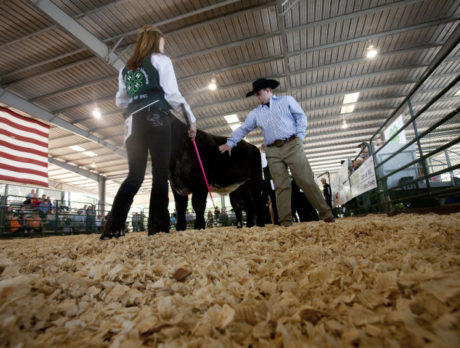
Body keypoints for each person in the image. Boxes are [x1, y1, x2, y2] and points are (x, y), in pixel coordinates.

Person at [100, 25, 196, 239]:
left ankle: (113, 228)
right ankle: (157, 227)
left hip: (132, 123)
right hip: (156, 118)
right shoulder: (161, 60)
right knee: (160, 174)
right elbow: (173, 95)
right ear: (155, 41)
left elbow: (120, 101)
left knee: (135, 175)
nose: (164, 45)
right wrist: (191, 119)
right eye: (162, 42)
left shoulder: (126, 69)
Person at [219, 78, 334, 227]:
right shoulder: (256, 113)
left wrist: (299, 137)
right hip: (272, 151)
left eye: (259, 94)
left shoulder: (286, 101)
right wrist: (230, 143)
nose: (257, 97)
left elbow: (301, 116)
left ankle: (326, 214)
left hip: (292, 144)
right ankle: (285, 221)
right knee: (281, 185)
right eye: (256, 95)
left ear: (268, 91)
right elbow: (243, 128)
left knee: (305, 180)